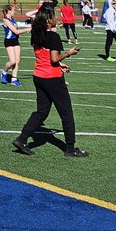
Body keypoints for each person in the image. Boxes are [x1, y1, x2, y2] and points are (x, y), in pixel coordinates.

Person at [11, 9, 86, 157]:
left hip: (39, 76)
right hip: (52, 79)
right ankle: (70, 149)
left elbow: (44, 57)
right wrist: (69, 53)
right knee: (66, 114)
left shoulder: (36, 34)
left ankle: (22, 139)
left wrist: (60, 64)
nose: (55, 18)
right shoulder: (53, 36)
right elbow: (54, 59)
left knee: (41, 111)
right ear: (47, 21)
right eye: (53, 17)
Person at [0, 4, 26, 87]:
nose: (14, 11)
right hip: (9, 41)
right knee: (12, 61)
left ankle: (14, 79)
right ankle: (4, 72)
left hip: (15, 41)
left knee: (17, 61)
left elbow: (16, 29)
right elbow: (16, 31)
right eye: (13, 10)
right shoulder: (6, 20)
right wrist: (29, 29)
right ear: (9, 11)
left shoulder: (12, 19)